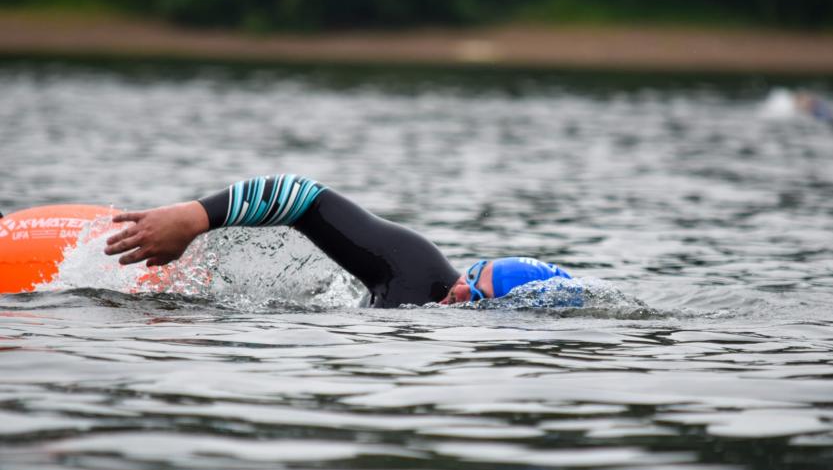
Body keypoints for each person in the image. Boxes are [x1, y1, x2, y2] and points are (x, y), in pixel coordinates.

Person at [104, 174, 575, 308]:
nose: (459, 292)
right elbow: (303, 197)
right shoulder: (416, 269)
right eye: (470, 276)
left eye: (478, 298)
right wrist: (193, 217)